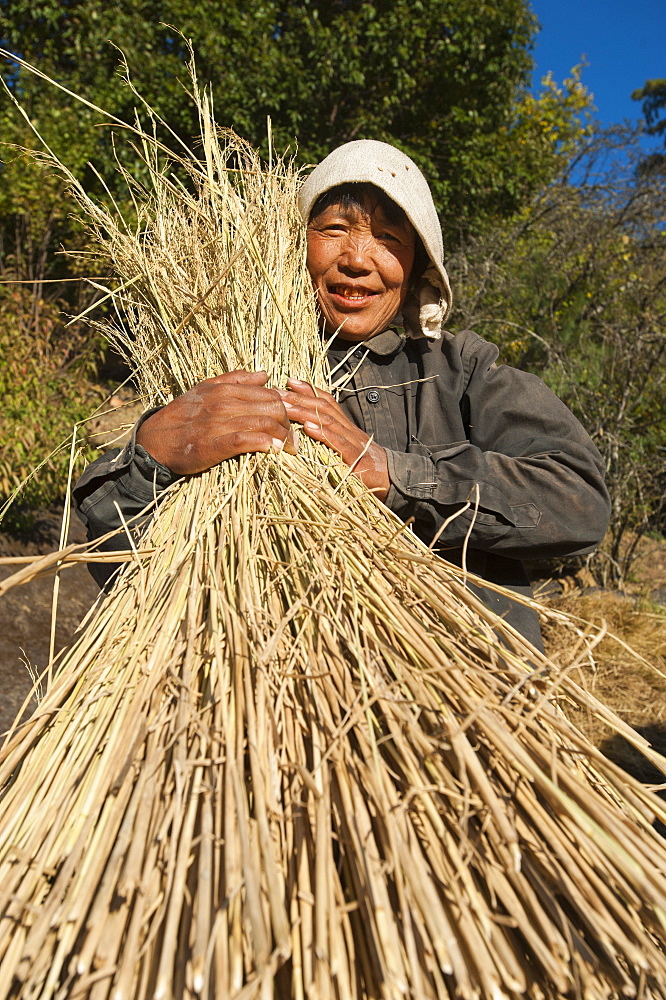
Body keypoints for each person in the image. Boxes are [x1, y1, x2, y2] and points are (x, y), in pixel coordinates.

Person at [73, 140, 610, 649]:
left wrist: (394, 473)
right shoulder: (234, 371)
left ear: (419, 268)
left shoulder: (461, 370)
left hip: (472, 699)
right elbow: (120, 559)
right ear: (293, 248)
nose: (357, 258)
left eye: (389, 239)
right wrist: (152, 459)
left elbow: (580, 501)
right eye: (334, 229)